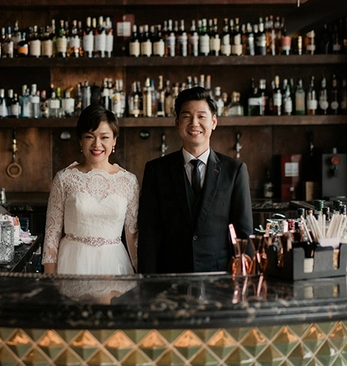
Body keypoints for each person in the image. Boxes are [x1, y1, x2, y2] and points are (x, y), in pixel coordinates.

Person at [138, 86, 253, 273]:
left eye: (201, 116)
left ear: (214, 122)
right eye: (186, 116)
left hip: (219, 277)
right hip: (170, 277)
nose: (194, 123)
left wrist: (245, 279)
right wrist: (148, 282)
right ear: (176, 122)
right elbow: (149, 234)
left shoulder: (235, 171)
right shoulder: (156, 170)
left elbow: (244, 232)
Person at [43, 105, 139, 275]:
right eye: (89, 137)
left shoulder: (129, 181)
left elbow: (132, 235)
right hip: (72, 262)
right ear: (80, 140)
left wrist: (141, 274)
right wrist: (50, 277)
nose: (97, 144)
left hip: (114, 264)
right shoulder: (64, 178)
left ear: (114, 140)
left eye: (104, 137)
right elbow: (52, 232)